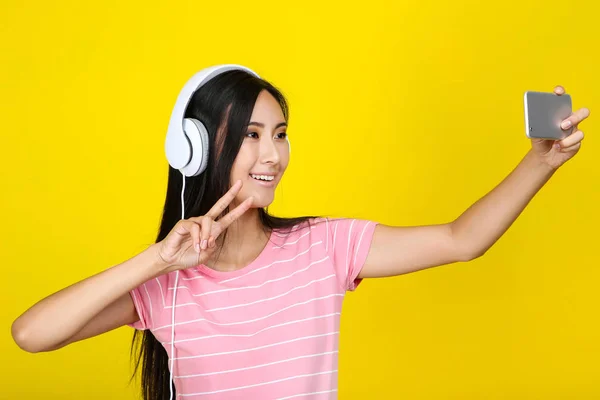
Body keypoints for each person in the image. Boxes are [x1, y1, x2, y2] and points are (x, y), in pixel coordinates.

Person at [11, 65, 590, 400]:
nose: (274, 154)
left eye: (280, 133)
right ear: (194, 148)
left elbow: (462, 239)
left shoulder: (323, 247)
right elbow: (31, 335)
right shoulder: (165, 287)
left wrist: (541, 161)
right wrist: (158, 261)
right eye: (252, 135)